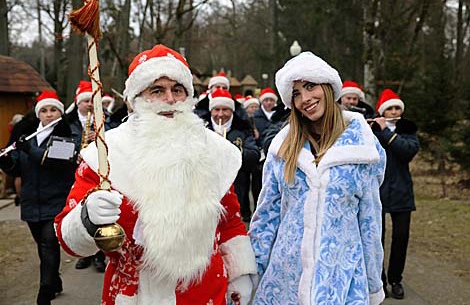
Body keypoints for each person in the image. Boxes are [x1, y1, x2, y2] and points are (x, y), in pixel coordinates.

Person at [55, 45, 257, 305]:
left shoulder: (214, 150)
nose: (170, 99)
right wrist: (87, 218)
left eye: (178, 89)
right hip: (137, 293)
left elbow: (230, 221)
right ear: (136, 98)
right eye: (157, 90)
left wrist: (239, 273)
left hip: (205, 291)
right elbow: (69, 240)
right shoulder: (106, 153)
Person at [249, 51, 386, 305]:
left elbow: (370, 221)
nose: (305, 99)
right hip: (285, 280)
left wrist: (372, 284)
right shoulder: (283, 148)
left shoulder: (364, 147)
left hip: (341, 280)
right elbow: (266, 216)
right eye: (296, 93)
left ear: (327, 86)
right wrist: (250, 273)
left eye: (310, 86)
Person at [0, 91, 76, 305]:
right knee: (41, 245)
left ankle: (44, 293)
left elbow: (55, 163)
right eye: (44, 110)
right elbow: (17, 170)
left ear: (59, 113)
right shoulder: (27, 136)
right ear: (38, 114)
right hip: (31, 201)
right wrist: (6, 162)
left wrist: (29, 149)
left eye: (53, 110)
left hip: (56, 201)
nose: (49, 115)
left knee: (49, 244)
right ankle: (54, 280)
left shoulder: (65, 137)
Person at [370, 89, 419, 300]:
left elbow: (407, 151)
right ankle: (378, 281)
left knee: (401, 237)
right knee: (376, 238)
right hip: (377, 191)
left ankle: (396, 279)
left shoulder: (407, 130)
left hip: (401, 192)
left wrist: (386, 133)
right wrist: (375, 130)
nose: (393, 111)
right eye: (389, 108)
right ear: (382, 111)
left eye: (397, 108)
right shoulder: (371, 130)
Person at [199, 88, 260, 222]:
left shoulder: (242, 128)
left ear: (232, 111)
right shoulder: (199, 129)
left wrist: (230, 150)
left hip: (237, 193)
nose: (220, 114)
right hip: (205, 193)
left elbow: (253, 155)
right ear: (211, 111)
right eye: (217, 110)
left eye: (225, 109)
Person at [65, 80, 107, 273]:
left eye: (92, 100)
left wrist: (99, 136)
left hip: (98, 172)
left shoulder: (106, 119)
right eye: (85, 101)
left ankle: (99, 255)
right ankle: (85, 254)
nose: (89, 104)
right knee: (78, 213)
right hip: (73, 171)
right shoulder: (66, 123)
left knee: (98, 214)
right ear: (78, 103)